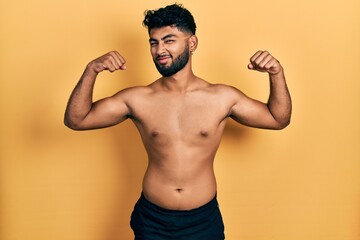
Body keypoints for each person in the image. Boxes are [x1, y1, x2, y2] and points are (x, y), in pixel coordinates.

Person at [64, 3, 292, 240]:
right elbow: (76, 119)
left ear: (191, 43)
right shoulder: (138, 99)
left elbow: (278, 119)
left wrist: (276, 74)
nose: (159, 49)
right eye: (154, 42)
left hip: (203, 221)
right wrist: (92, 70)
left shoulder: (221, 98)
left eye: (169, 40)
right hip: (153, 221)